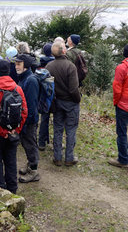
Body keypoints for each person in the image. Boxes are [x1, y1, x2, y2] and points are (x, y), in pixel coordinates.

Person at [0, 60, 27, 194]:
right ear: (9, 72)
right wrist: (16, 130)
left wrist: (1, 132)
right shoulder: (17, 88)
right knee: (11, 161)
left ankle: (0, 190)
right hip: (12, 132)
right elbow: (25, 111)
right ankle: (12, 190)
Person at [45, 38, 81, 167]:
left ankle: (57, 157)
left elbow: (48, 87)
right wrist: (78, 99)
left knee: (58, 129)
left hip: (56, 102)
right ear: (64, 51)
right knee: (71, 129)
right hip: (70, 102)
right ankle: (69, 158)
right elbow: (73, 89)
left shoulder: (49, 66)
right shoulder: (70, 66)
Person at [14, 54, 41, 183]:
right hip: (24, 119)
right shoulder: (23, 78)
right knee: (26, 143)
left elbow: (31, 104)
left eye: (19, 64)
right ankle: (30, 166)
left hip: (29, 120)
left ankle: (34, 171)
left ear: (26, 65)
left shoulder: (31, 80)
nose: (16, 66)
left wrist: (25, 122)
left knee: (30, 144)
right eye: (15, 63)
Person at [38, 43, 55, 150]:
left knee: (44, 118)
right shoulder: (54, 62)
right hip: (53, 92)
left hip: (43, 93)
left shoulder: (40, 62)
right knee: (57, 120)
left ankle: (41, 142)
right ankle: (53, 143)